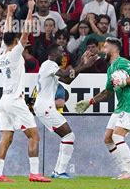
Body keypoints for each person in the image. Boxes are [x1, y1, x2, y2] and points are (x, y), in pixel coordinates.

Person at [0, 1, 51, 183]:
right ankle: (34, 173)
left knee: (6, 137)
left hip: (4, 101)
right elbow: (25, 32)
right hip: (16, 101)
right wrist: (30, 10)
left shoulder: (1, 55)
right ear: (16, 42)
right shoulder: (15, 53)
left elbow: (6, 34)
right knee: (34, 135)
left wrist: (9, 13)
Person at [75, 37, 130, 180]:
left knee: (117, 136)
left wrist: (124, 80)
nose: (103, 50)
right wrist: (90, 102)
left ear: (113, 49)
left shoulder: (123, 62)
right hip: (120, 107)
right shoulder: (111, 68)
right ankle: (124, 170)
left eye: (105, 47)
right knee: (108, 139)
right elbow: (108, 91)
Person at [34, 44, 97, 179]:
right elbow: (65, 73)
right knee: (68, 136)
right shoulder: (49, 64)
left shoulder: (51, 67)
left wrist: (81, 64)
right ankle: (59, 172)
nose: (63, 55)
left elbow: (67, 80)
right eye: (61, 52)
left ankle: (58, 171)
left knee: (67, 136)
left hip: (44, 106)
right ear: (52, 53)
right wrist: (84, 65)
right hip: (45, 107)